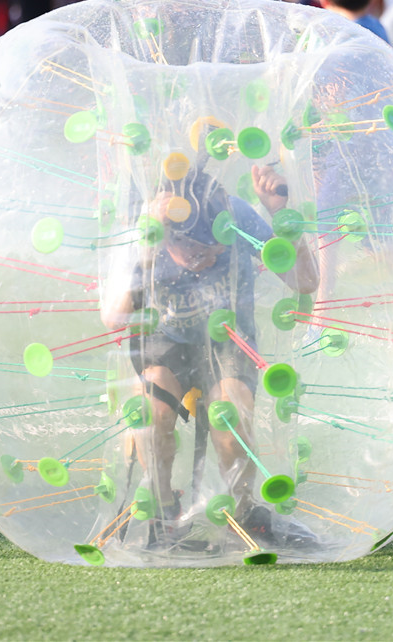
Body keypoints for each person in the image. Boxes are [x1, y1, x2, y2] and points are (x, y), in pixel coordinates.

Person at [98, 163, 317, 548]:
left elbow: (305, 282)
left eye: (217, 245)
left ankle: (244, 512)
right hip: (164, 339)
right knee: (153, 418)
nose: (206, 257)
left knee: (230, 425)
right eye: (191, 247)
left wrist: (283, 220)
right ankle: (164, 512)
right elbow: (112, 316)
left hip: (228, 338)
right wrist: (150, 248)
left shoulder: (238, 214)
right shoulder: (147, 228)